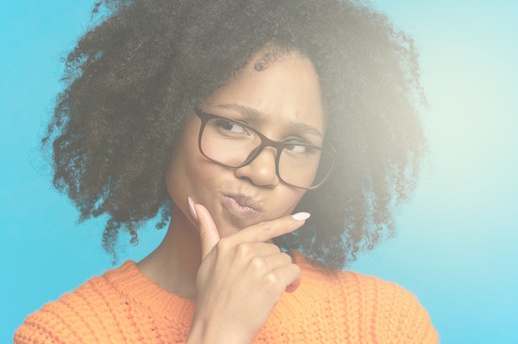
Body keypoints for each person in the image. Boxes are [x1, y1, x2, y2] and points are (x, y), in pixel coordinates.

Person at [15, 0, 438, 343]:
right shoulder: (64, 334)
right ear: (162, 121)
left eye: (297, 145)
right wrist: (219, 332)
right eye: (232, 126)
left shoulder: (384, 323)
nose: (262, 172)